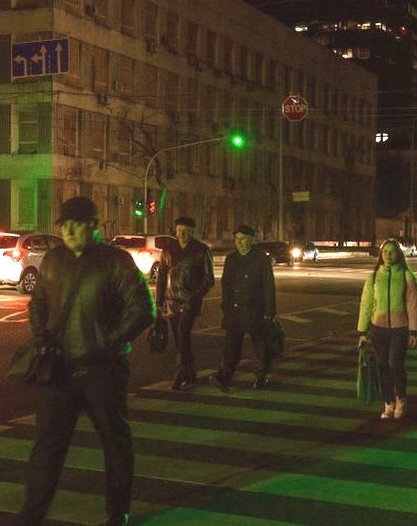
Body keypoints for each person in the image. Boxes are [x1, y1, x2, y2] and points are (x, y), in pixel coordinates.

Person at [21, 197, 155, 526]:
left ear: (94, 226)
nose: (67, 229)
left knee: (114, 441)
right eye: (63, 224)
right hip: (60, 370)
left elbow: (142, 311)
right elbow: (38, 302)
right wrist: (42, 337)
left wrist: (105, 344)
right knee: (47, 447)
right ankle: (31, 514)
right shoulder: (53, 260)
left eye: (75, 223)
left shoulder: (116, 262)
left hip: (102, 371)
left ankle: (117, 510)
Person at [358, 239, 417, 419]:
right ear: (380, 255)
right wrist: (362, 331)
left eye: (392, 252)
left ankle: (401, 398)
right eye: (385, 252)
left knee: (395, 365)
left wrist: (413, 331)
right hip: (378, 329)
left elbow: (413, 305)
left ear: (398, 254)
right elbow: (366, 304)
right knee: (382, 366)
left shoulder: (406, 276)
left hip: (400, 329)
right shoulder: (374, 277)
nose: (388, 255)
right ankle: (388, 402)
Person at [211, 225, 277, 392]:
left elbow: (268, 286)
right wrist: (225, 306)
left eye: (243, 239)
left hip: (256, 309)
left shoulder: (261, 259)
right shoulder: (231, 258)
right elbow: (226, 284)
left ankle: (261, 376)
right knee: (232, 345)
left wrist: (270, 311)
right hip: (235, 309)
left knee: (261, 346)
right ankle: (224, 378)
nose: (239, 242)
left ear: (252, 240)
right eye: (237, 239)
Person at [157, 216, 215, 390]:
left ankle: (180, 374)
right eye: (180, 230)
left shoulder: (201, 250)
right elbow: (161, 277)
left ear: (192, 232)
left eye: (187, 231)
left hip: (190, 302)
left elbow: (209, 278)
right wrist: (159, 302)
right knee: (180, 339)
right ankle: (190, 373)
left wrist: (196, 295)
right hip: (171, 300)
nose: (182, 233)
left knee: (183, 335)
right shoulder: (168, 250)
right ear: (175, 230)